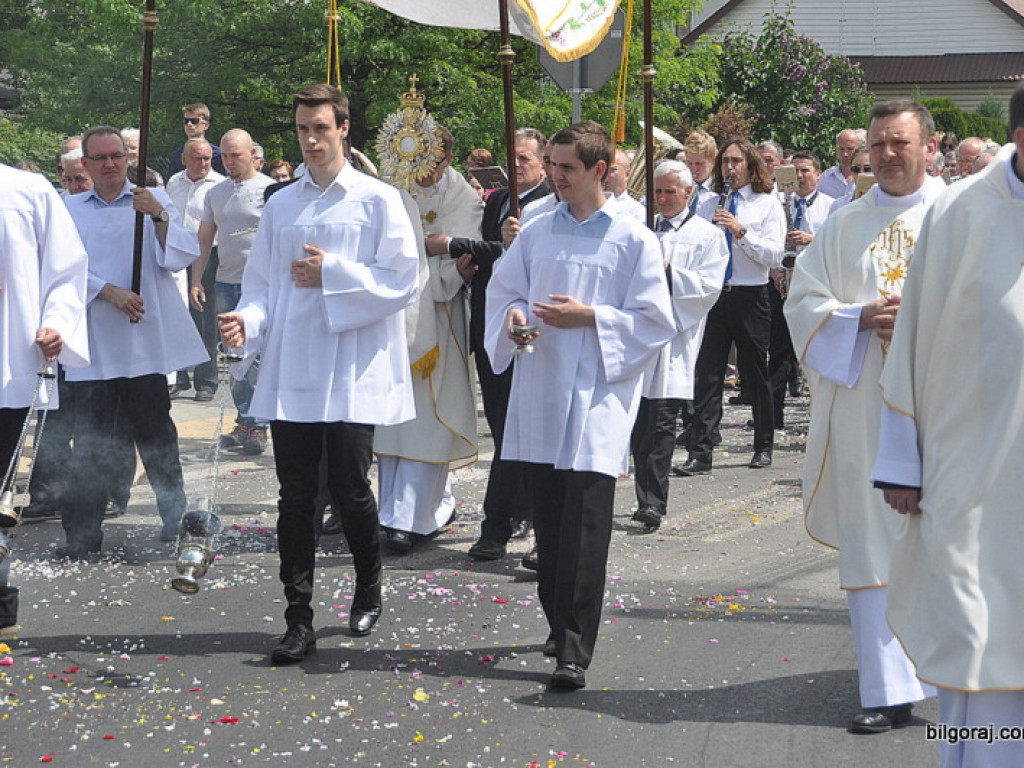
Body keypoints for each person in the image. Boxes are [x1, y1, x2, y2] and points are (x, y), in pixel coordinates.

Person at [217, 84, 419, 664]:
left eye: (321, 128)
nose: (310, 139)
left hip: (353, 364)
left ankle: (368, 586)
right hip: (297, 365)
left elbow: (401, 279)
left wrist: (333, 272)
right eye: (303, 128)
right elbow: (261, 287)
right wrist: (245, 324)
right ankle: (297, 617)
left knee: (352, 490)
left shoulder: (378, 199)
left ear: (344, 129)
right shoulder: (281, 204)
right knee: (296, 497)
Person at [486, 121, 674, 690]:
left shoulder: (633, 237)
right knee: (549, 521)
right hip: (541, 385)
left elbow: (654, 320)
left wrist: (590, 316)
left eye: (565, 166)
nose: (554, 175)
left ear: (599, 169)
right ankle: (556, 620)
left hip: (597, 394)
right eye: (551, 163)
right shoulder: (538, 230)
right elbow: (505, 291)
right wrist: (515, 319)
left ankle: (574, 649)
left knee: (587, 522)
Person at [871, 89, 1024, 768]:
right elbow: (912, 342)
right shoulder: (960, 212)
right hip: (973, 471)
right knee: (979, 632)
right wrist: (904, 462)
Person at [785, 99, 943, 734]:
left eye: (899, 142)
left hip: (945, 408)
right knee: (873, 543)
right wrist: (857, 317)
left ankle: (961, 671)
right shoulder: (845, 225)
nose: (885, 154)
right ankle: (886, 687)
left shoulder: (961, 216)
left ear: (929, 148)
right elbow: (804, 302)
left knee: (952, 541)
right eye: (875, 144)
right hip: (864, 408)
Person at [62, 125, 207, 557]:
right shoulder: (69, 210)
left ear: (126, 160)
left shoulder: (153, 200)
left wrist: (159, 217)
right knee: (89, 441)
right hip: (94, 344)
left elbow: (182, 256)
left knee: (158, 435)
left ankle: (174, 520)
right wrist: (108, 291)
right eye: (100, 158)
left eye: (116, 156)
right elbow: (60, 268)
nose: (110, 164)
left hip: (142, 344)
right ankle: (82, 537)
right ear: (84, 165)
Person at [425, 127, 550, 561]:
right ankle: (519, 509)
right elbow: (489, 251)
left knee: (521, 431)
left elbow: (512, 252)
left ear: (543, 162)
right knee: (502, 427)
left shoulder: (551, 203)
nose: (517, 165)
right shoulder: (497, 199)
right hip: (491, 326)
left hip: (529, 333)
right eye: (512, 157)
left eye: (526, 158)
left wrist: (458, 244)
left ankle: (498, 525)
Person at [374, 124, 481, 554]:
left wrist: (446, 256)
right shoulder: (390, 191)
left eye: (429, 162)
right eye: (412, 162)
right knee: (392, 420)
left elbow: (463, 255)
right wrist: (427, 246)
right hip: (390, 319)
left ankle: (413, 516)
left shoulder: (463, 198)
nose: (420, 172)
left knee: (427, 417)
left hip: (438, 319)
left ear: (446, 159)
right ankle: (390, 512)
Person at [0, 162, 89, 627]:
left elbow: (65, 270)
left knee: (2, 497)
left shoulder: (26, 189)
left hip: (9, 365)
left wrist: (56, 323)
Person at [677, 138, 785, 475]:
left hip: (751, 295)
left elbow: (774, 256)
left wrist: (741, 232)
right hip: (715, 296)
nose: (729, 168)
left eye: (736, 161)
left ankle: (763, 444)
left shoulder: (767, 204)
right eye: (725, 162)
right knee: (707, 375)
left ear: (751, 165)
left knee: (755, 374)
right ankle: (701, 451)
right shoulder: (708, 203)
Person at [629, 160, 727, 531]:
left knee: (662, 422)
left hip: (673, 339)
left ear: (689, 193)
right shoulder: (640, 231)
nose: (664, 198)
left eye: (671, 191)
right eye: (658, 191)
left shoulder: (706, 235)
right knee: (638, 426)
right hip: (637, 338)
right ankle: (642, 494)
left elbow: (708, 288)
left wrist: (670, 272)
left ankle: (653, 503)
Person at [191, 129, 274, 455]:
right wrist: (196, 280)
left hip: (260, 285)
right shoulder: (216, 192)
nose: (228, 162)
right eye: (223, 156)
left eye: (235, 155)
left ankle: (261, 425)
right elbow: (204, 240)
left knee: (259, 356)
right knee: (235, 355)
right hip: (225, 281)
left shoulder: (271, 190)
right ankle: (244, 419)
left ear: (253, 153)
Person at [769, 149, 833, 428]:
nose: (799, 175)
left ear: (819, 174)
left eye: (806, 170)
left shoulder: (831, 206)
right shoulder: (778, 203)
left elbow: (835, 244)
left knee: (813, 350)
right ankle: (773, 416)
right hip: (781, 280)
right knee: (779, 352)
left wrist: (811, 239)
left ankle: (818, 412)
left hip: (814, 282)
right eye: (794, 169)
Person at [165, 138, 225, 401]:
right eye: (198, 158)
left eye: (207, 159)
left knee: (205, 318)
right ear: (184, 159)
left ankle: (206, 380)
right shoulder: (174, 183)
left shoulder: (219, 184)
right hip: (178, 253)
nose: (203, 164)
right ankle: (178, 377)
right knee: (177, 315)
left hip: (209, 254)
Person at [167, 102, 225, 177]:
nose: (189, 124)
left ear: (206, 125)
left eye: (194, 121)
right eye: (186, 121)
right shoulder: (177, 155)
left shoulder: (218, 155)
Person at [818, 128, 867, 199]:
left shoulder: (868, 176)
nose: (845, 154)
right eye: (841, 149)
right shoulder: (826, 177)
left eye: (850, 149)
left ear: (859, 149)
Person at [603, 147, 646, 220]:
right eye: (601, 169)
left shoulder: (637, 213)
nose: (604, 174)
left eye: (612, 170)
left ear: (627, 174)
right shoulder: (586, 206)